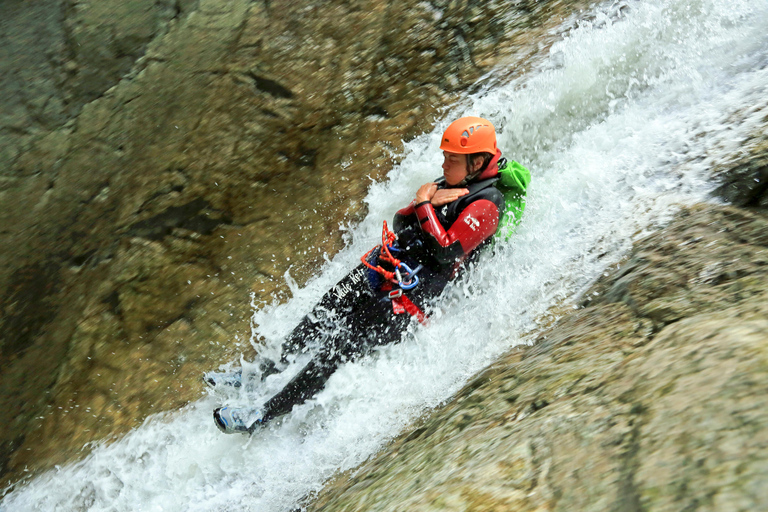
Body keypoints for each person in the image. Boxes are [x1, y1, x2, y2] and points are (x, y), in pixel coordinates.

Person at [211, 116, 529, 433]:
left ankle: (260, 415)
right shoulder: (448, 183)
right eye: (445, 156)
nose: (444, 163)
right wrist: (423, 203)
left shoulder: (488, 203)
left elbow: (446, 251)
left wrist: (424, 203)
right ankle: (256, 376)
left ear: (476, 162)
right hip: (382, 267)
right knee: (321, 314)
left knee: (336, 348)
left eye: (452, 159)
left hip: (405, 300)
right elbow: (401, 223)